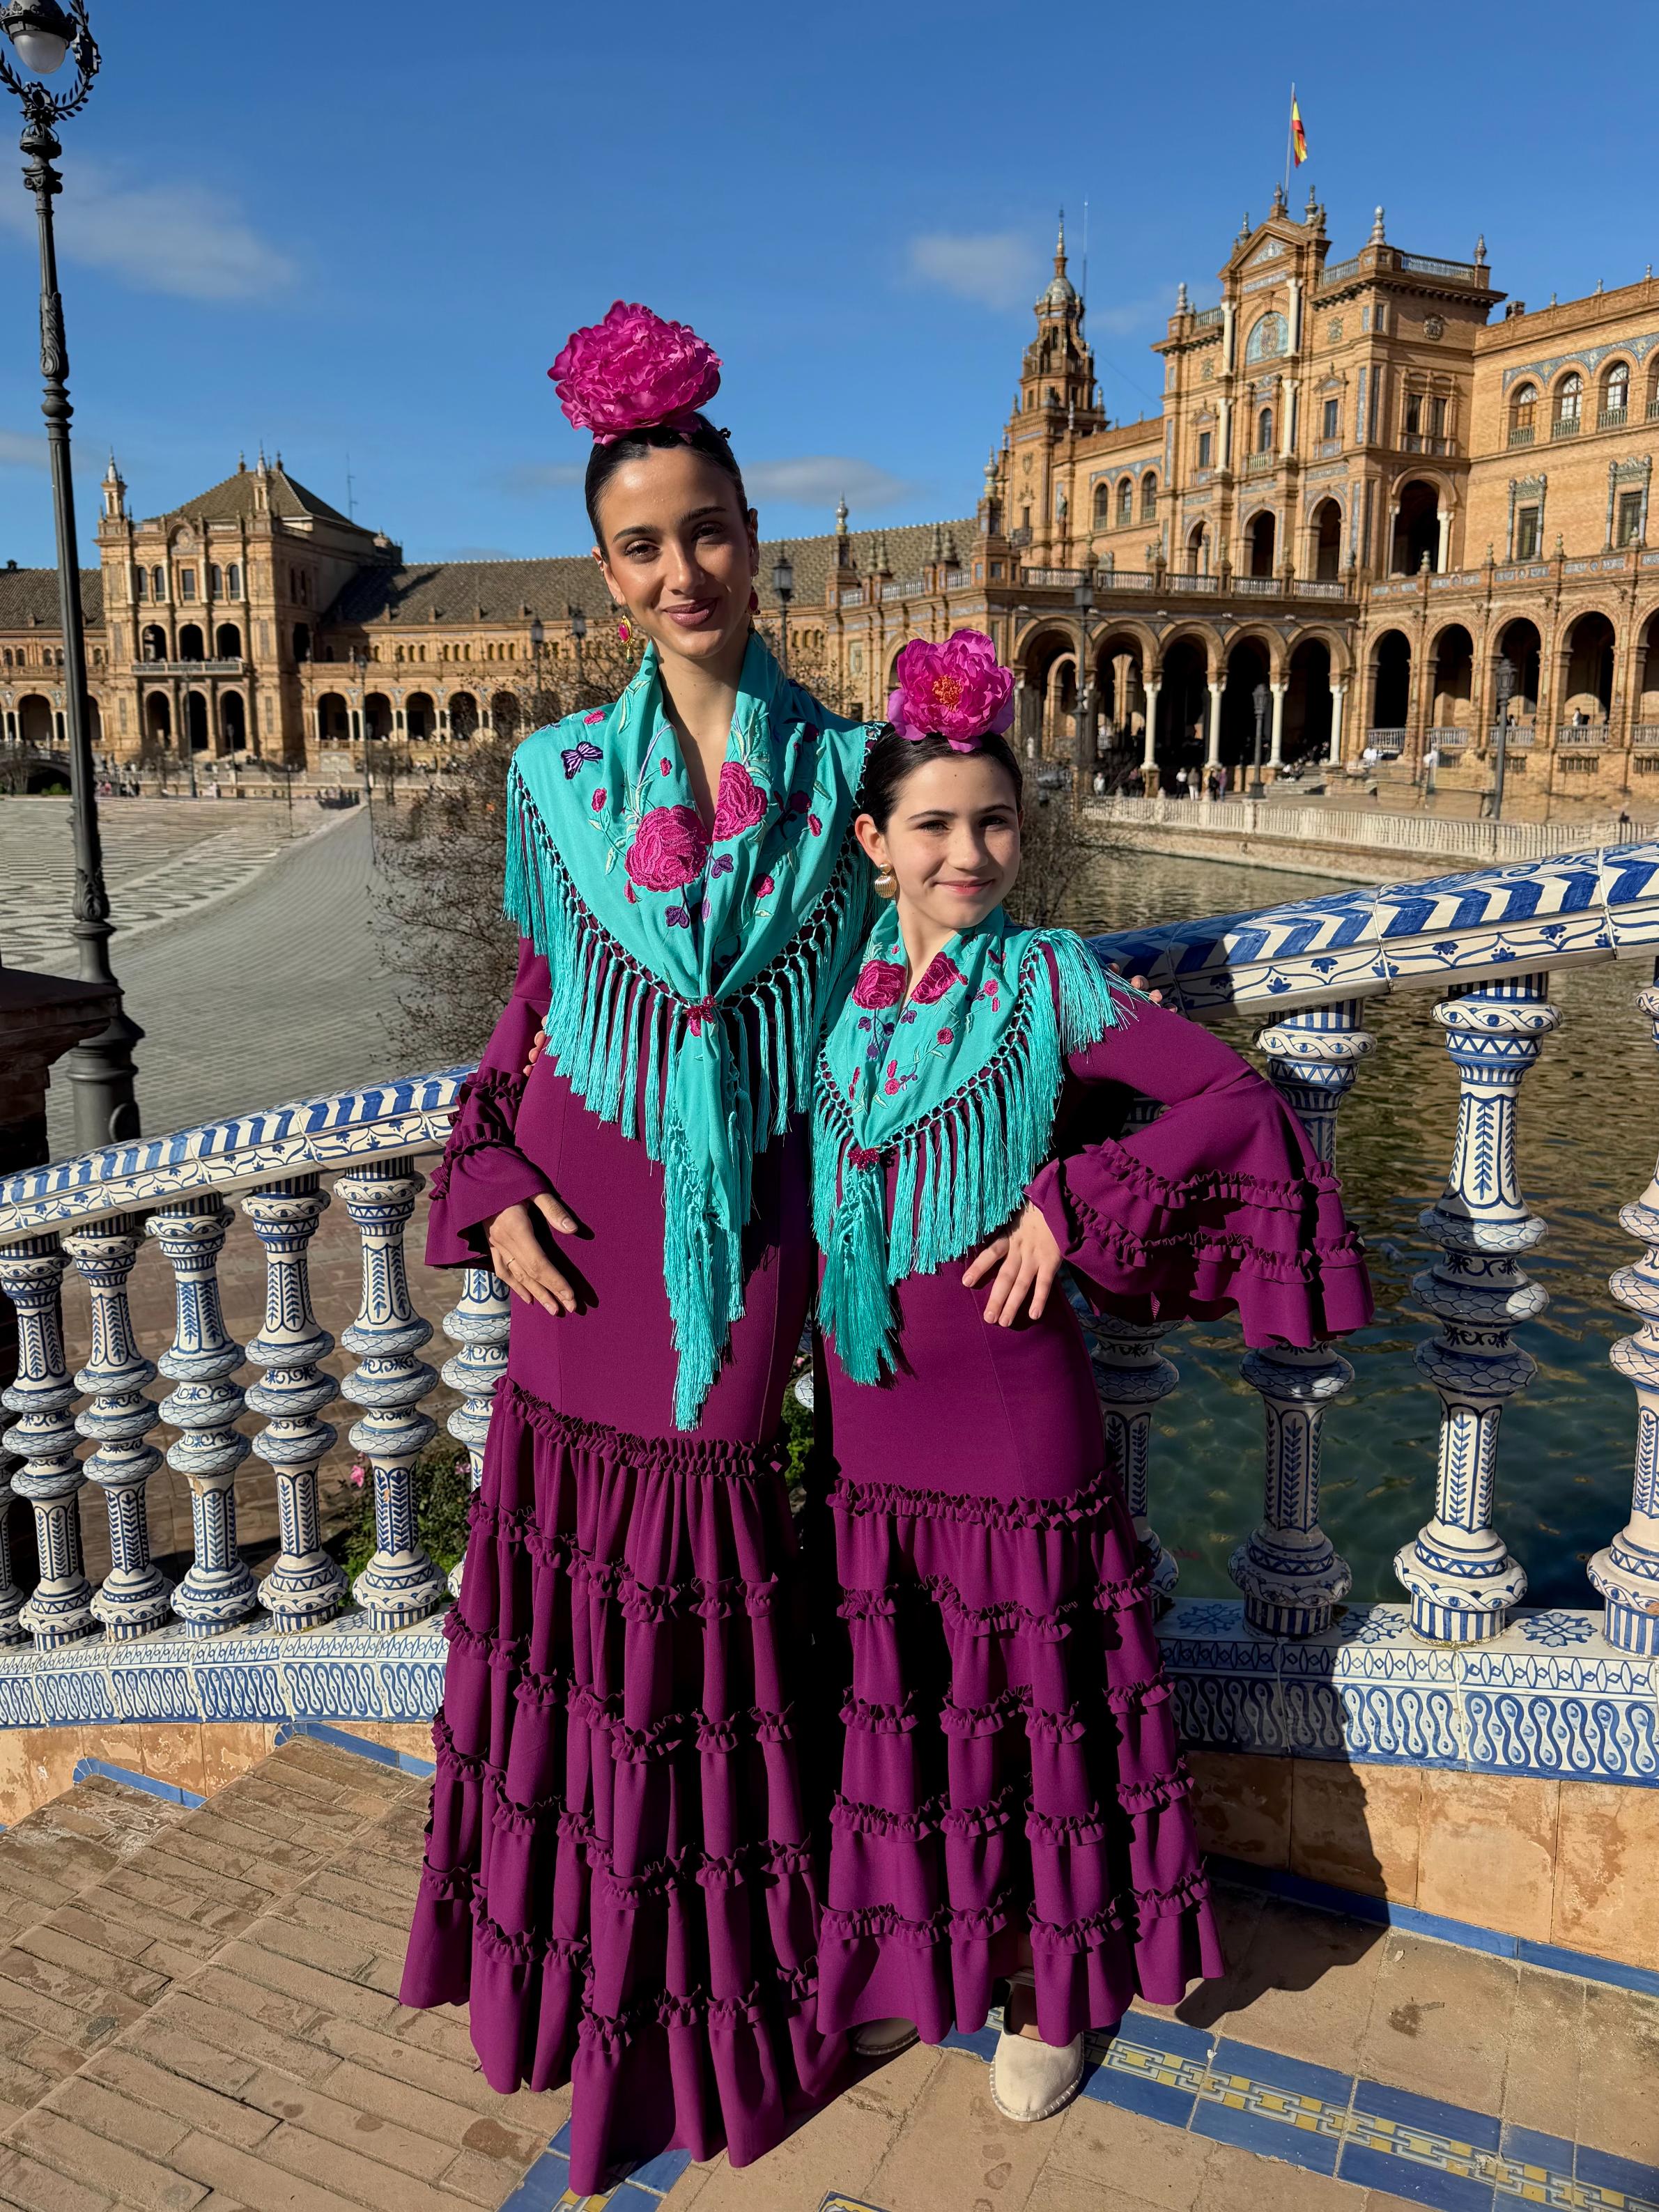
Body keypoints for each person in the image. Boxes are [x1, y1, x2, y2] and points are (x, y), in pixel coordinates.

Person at [398, 302, 879, 2194]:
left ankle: (697, 1999)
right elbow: (531, 1006)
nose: (683, 571)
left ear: (754, 537)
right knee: (569, 1614)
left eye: (708, 532)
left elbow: (891, 1017)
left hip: (740, 1242)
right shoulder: (552, 784)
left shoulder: (846, 784)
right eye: (642, 546)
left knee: (699, 1596)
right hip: (575, 1244)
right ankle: (567, 1978)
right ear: (606, 576)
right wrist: (486, 1180)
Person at [808, 634, 1372, 2125]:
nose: (968, 853)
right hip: (870, 1419)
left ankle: (1054, 1992)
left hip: (1010, 1416)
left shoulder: (1048, 980)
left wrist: (1070, 1201)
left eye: (994, 821)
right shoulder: (832, 1000)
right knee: (909, 1704)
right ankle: (922, 1955)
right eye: (933, 824)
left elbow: (1229, 1097)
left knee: (1036, 1705)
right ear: (874, 844)